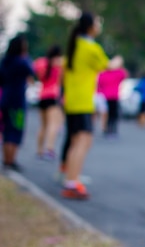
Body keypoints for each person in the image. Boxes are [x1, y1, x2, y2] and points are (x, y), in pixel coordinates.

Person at [61, 12, 116, 199]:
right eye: (98, 22)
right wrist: (118, 62)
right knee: (83, 141)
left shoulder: (74, 44)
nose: (99, 25)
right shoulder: (91, 47)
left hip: (72, 100)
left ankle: (71, 177)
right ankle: (71, 183)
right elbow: (106, 65)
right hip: (83, 101)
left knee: (76, 141)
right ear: (91, 26)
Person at [0, 34, 35, 172]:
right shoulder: (22, 62)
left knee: (6, 130)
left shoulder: (5, 61)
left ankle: (6, 160)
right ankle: (11, 160)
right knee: (16, 131)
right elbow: (31, 71)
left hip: (5, 99)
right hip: (18, 102)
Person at [33, 45, 64, 160]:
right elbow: (61, 81)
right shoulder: (59, 65)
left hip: (42, 96)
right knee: (53, 125)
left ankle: (39, 150)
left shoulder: (41, 63)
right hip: (53, 97)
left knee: (43, 126)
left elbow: (35, 72)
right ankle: (49, 149)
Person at [97, 57, 127, 136]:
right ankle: (109, 129)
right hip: (108, 97)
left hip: (112, 97)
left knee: (112, 114)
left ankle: (111, 129)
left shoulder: (116, 73)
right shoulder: (106, 73)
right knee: (110, 115)